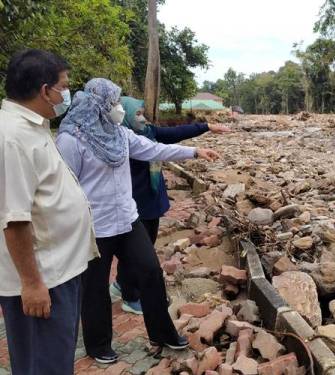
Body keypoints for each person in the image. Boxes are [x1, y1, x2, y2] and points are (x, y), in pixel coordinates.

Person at [55, 78, 220, 364]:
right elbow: (65, 187)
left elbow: (153, 148)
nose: (118, 107)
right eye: (114, 101)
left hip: (128, 220)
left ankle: (162, 333)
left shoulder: (119, 133)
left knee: (151, 273)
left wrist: (194, 152)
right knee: (94, 289)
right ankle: (98, 345)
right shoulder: (71, 139)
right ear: (99, 104)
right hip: (95, 227)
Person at [0, 49, 97, 374]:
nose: (66, 93)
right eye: (64, 85)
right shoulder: (12, 138)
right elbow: (14, 219)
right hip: (44, 278)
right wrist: (31, 284)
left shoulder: (32, 127)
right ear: (45, 90)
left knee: (53, 359)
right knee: (43, 364)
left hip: (58, 270)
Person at [109, 97, 230, 315]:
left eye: (142, 112)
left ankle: (120, 284)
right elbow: (159, 150)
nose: (143, 117)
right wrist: (194, 150)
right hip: (134, 202)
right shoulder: (122, 141)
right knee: (135, 253)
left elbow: (175, 134)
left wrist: (207, 127)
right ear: (124, 115)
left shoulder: (148, 132)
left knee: (143, 245)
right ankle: (130, 295)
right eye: (137, 114)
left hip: (152, 200)